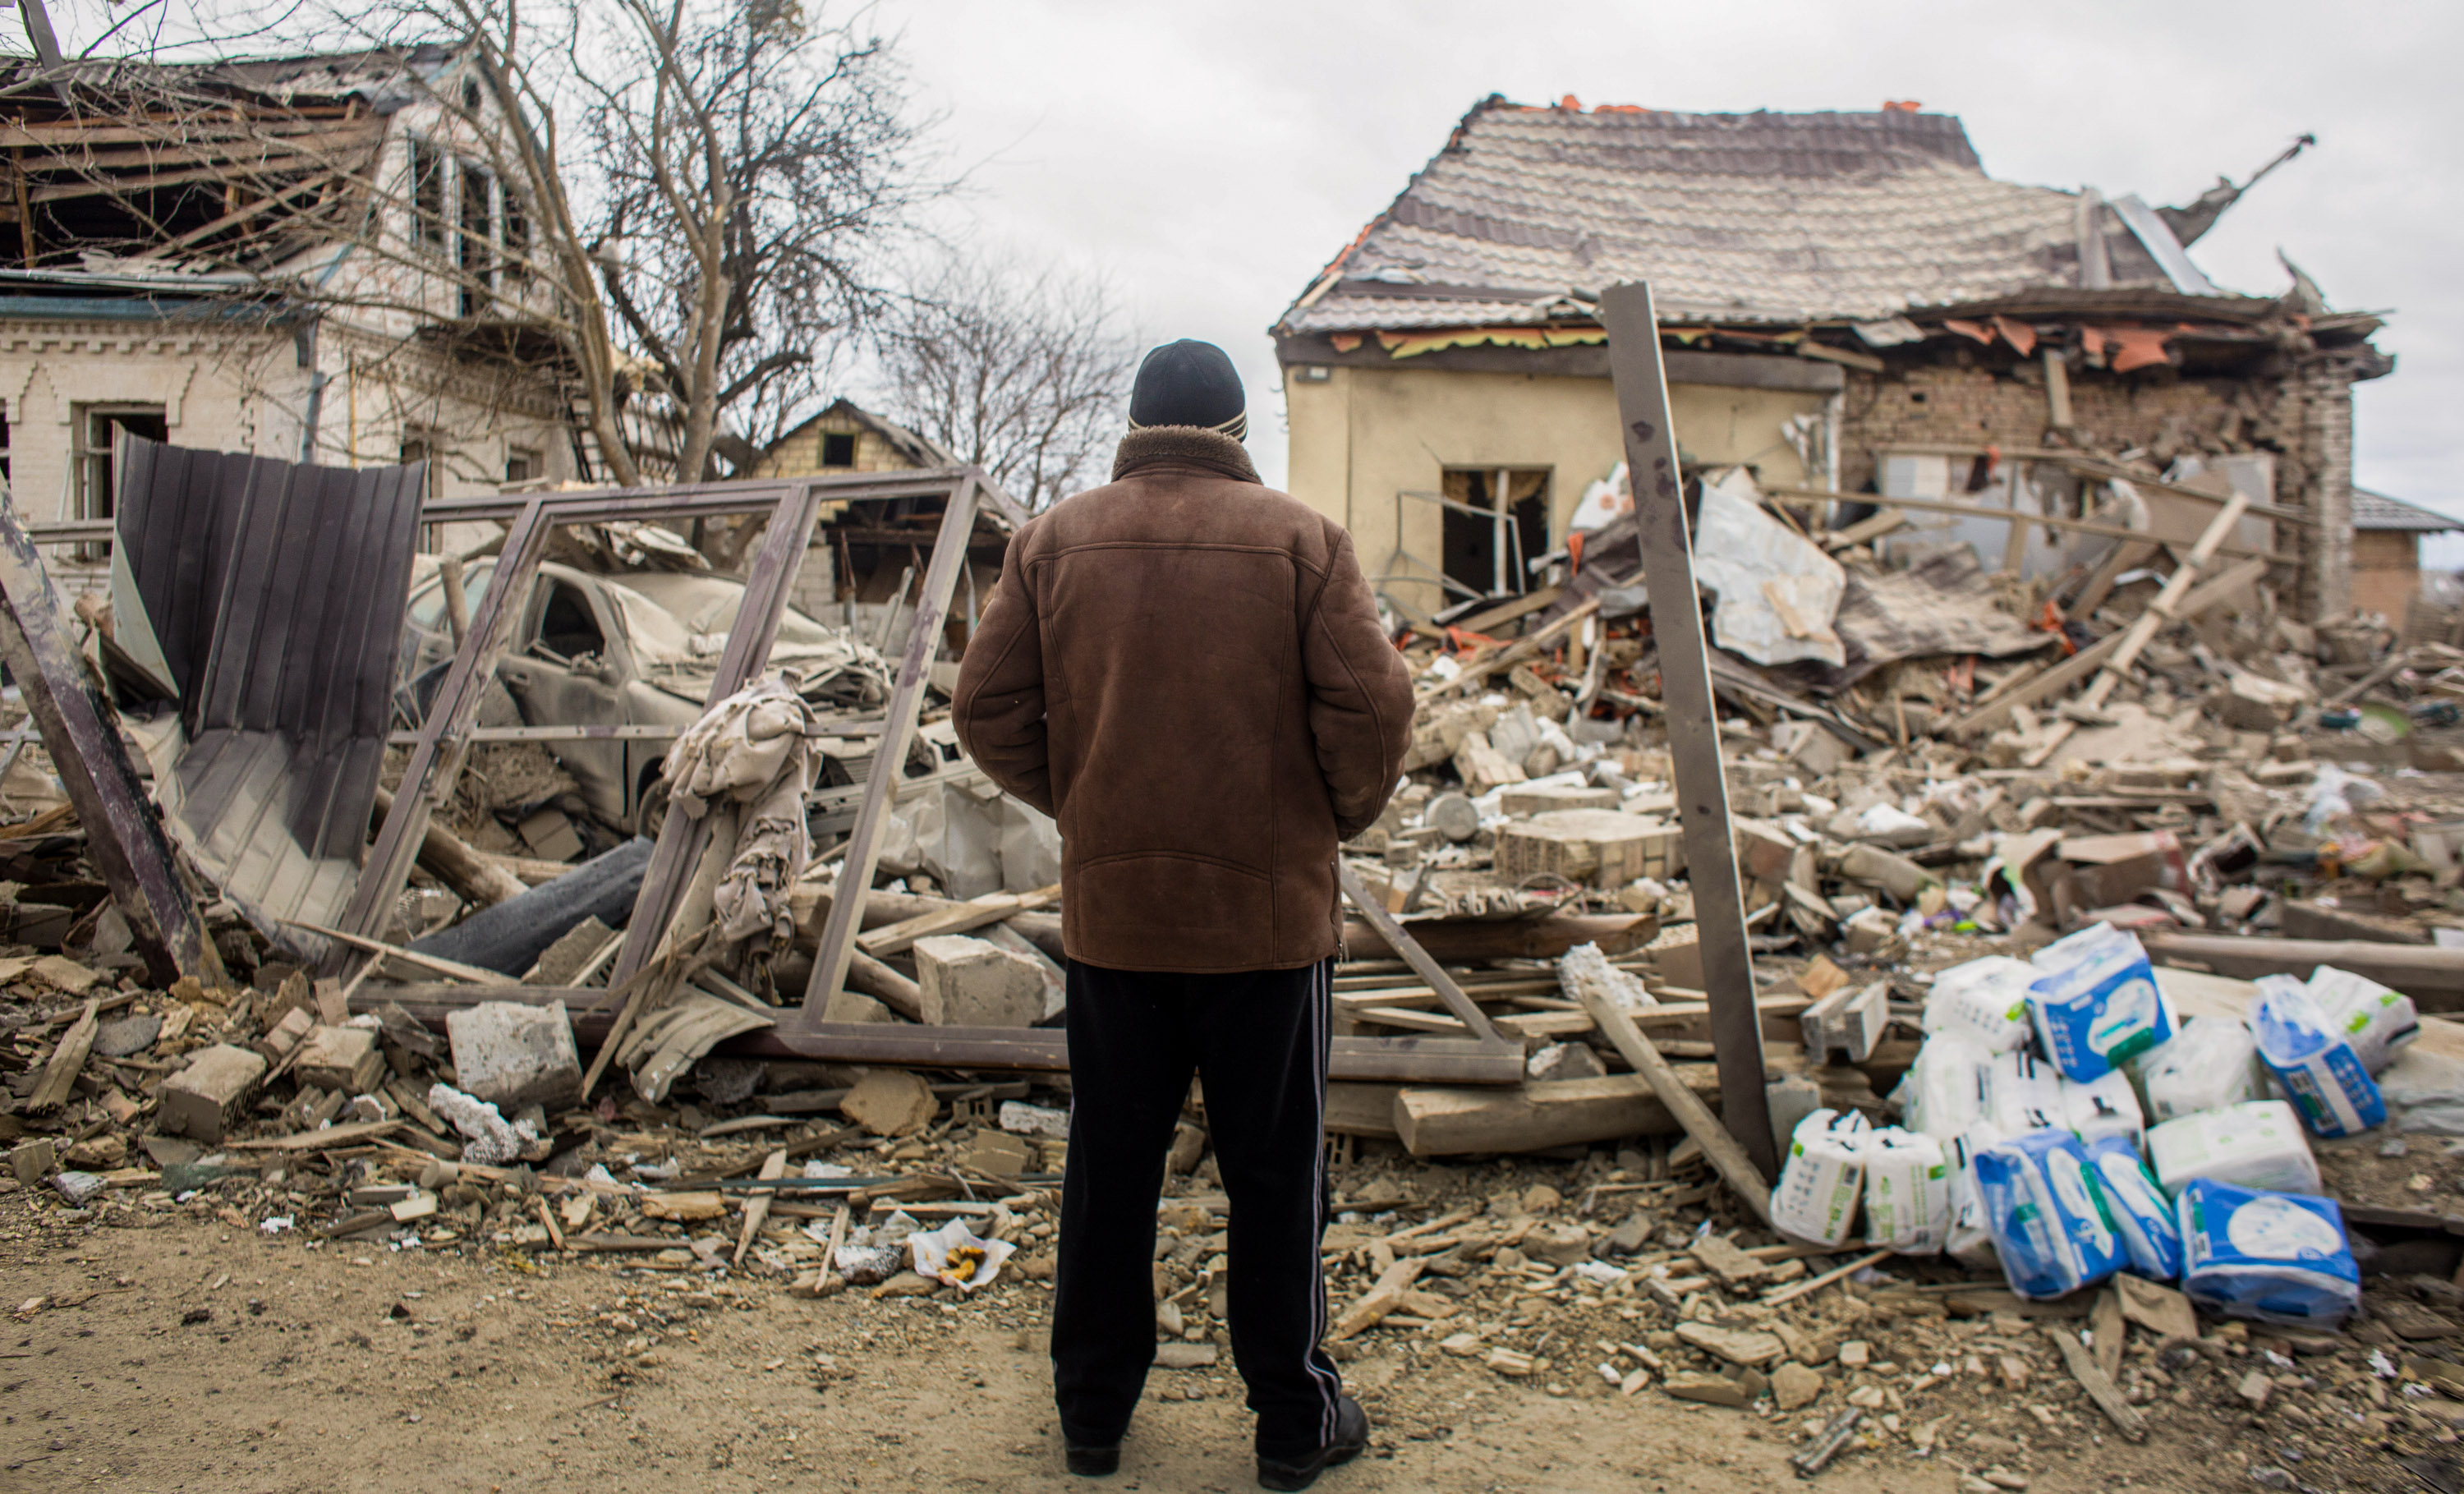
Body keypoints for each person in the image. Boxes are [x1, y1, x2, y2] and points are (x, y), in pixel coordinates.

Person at [954, 338, 1413, 1490]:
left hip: (1117, 919)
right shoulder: (1305, 542)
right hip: (1263, 927)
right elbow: (1370, 708)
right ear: (1238, 430)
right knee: (1274, 1176)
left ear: (1137, 423)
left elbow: (987, 705)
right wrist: (1327, 823)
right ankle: (1291, 1427)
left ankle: (1092, 1420)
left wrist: (1088, 803)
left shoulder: (1053, 539)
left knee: (1113, 1171)